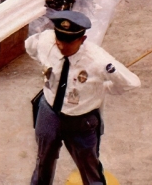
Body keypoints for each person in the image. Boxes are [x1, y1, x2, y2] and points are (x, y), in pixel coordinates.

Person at [25, 10, 140, 185]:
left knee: (89, 167)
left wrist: (105, 88)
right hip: (49, 113)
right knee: (43, 160)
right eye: (60, 39)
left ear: (82, 40)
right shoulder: (45, 41)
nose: (62, 46)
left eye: (69, 42)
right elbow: (30, 47)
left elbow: (130, 82)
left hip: (81, 121)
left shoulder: (98, 60)